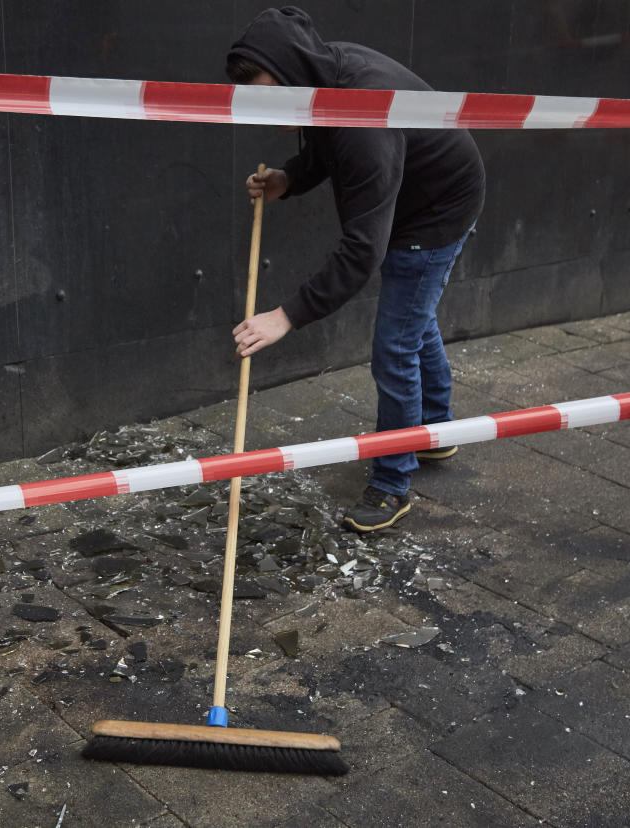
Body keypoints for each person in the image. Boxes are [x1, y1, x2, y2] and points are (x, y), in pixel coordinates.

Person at [226, 6, 486, 533]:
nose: (269, 107)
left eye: (270, 92)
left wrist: (285, 316)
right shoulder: (326, 76)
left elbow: (363, 251)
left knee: (394, 346)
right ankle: (434, 427)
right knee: (414, 318)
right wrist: (290, 179)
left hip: (436, 212)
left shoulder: (364, 116)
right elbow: (326, 141)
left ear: (292, 71)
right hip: (416, 191)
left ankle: (393, 483)